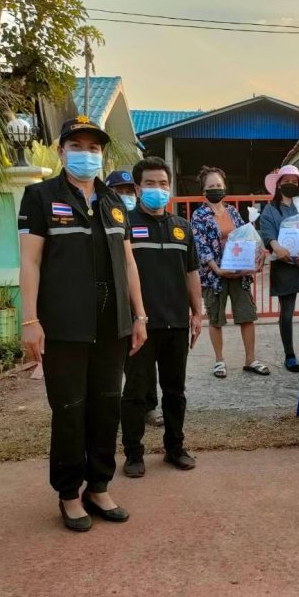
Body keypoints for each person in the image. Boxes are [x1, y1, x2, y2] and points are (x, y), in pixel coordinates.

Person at [18, 117, 148, 532]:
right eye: (77, 146)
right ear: (61, 152)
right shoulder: (40, 197)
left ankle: (99, 486)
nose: (86, 154)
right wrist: (30, 320)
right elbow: (30, 262)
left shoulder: (114, 201)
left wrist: (139, 315)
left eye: (94, 148)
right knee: (70, 410)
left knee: (107, 406)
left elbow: (129, 262)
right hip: (64, 325)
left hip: (112, 324)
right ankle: (69, 493)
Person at [120, 157, 203, 477]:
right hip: (140, 325)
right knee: (136, 393)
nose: (158, 189)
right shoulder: (125, 225)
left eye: (163, 183)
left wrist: (197, 313)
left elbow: (191, 272)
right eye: (150, 183)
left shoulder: (183, 227)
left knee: (175, 391)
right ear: (138, 188)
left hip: (176, 324)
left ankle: (175, 448)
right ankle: (133, 454)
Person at [191, 166, 269, 378]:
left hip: (239, 272)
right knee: (216, 318)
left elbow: (245, 237)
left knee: (246, 316)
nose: (216, 188)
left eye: (219, 185)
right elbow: (201, 246)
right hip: (214, 276)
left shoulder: (233, 212)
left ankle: (250, 359)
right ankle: (219, 361)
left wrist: (256, 255)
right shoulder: (199, 215)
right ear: (204, 190)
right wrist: (217, 269)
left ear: (224, 187)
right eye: (211, 186)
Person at [107, 168, 162, 428]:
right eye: (119, 191)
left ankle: (148, 406)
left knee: (142, 361)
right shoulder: (106, 221)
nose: (125, 196)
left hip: (142, 303)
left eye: (129, 191)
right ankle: (113, 407)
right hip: (114, 301)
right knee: (113, 362)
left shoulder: (144, 221)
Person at [260, 164, 299, 372]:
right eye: (286, 181)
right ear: (278, 184)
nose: (290, 184)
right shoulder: (270, 209)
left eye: (294, 182)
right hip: (284, 265)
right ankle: (290, 355)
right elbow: (267, 232)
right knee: (286, 313)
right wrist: (276, 247)